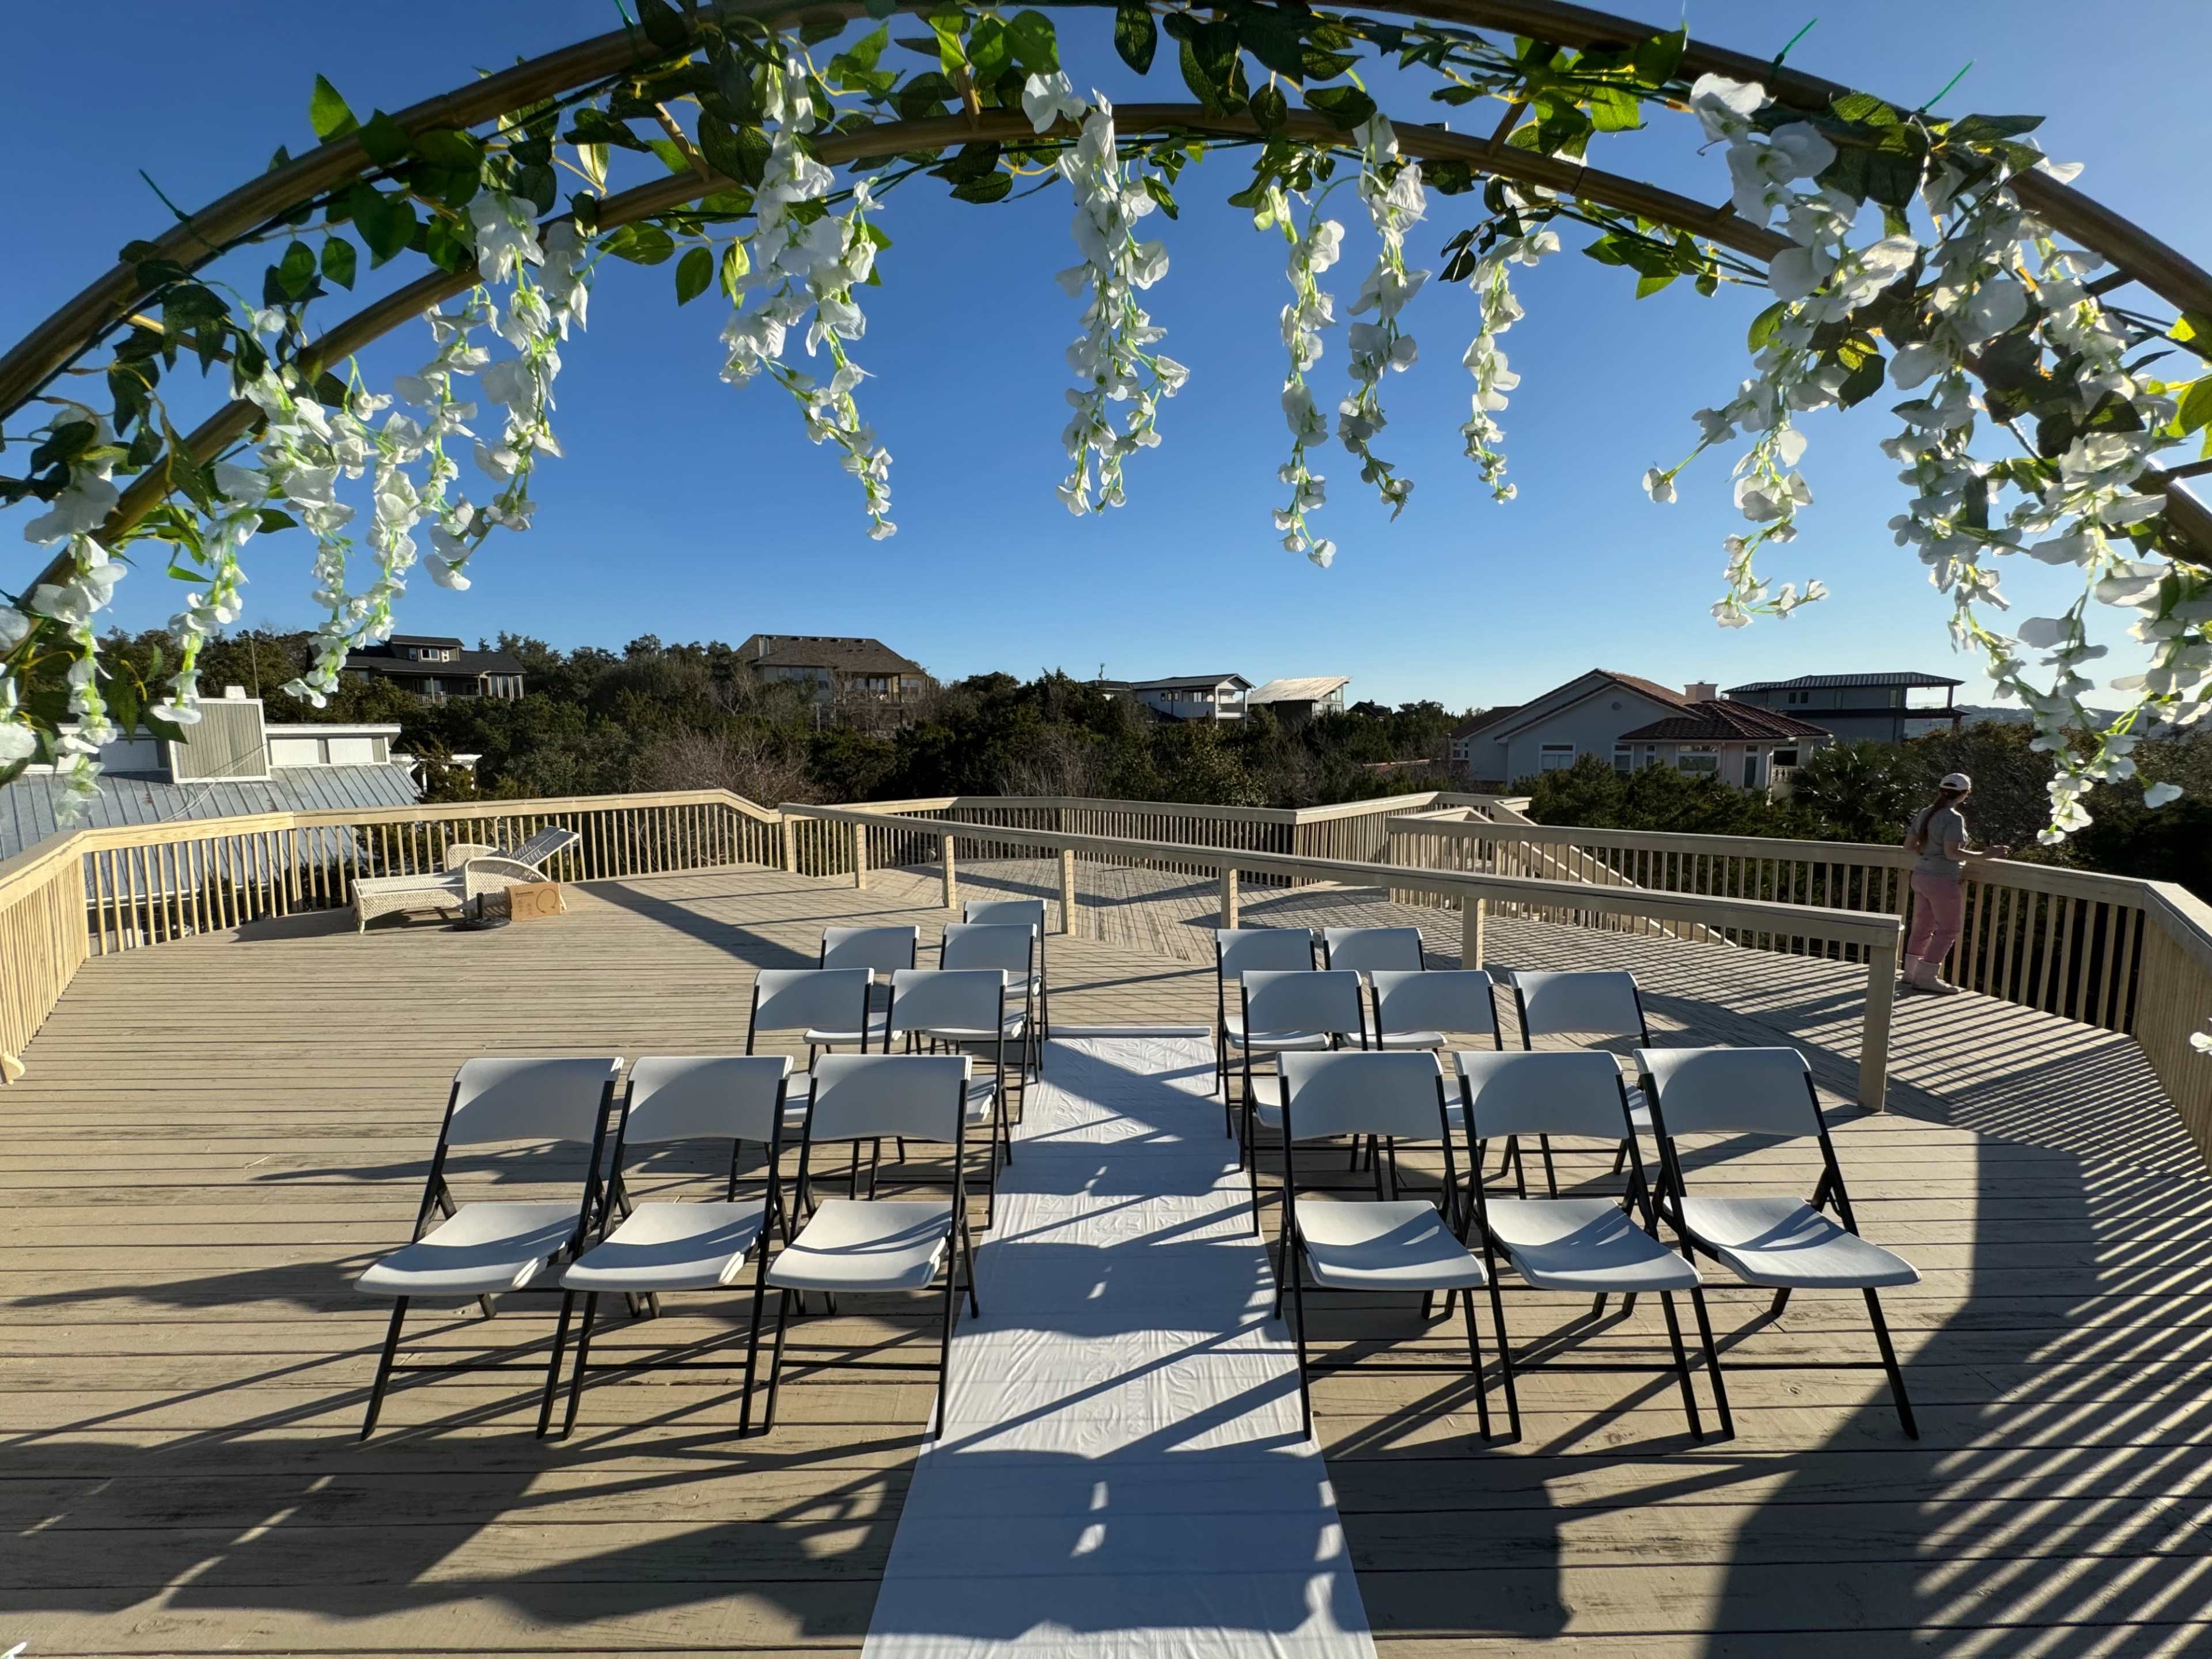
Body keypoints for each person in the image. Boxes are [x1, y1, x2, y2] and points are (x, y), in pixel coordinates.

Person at [1900, 772, 2009, 995]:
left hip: (1921, 876)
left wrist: (1930, 853)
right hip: (1942, 880)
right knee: (1949, 929)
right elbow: (1952, 853)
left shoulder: (1925, 813)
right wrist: (1985, 855)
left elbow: (1909, 846)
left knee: (1923, 926)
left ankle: (1910, 973)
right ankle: (1926, 977)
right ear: (1965, 794)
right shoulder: (1953, 818)